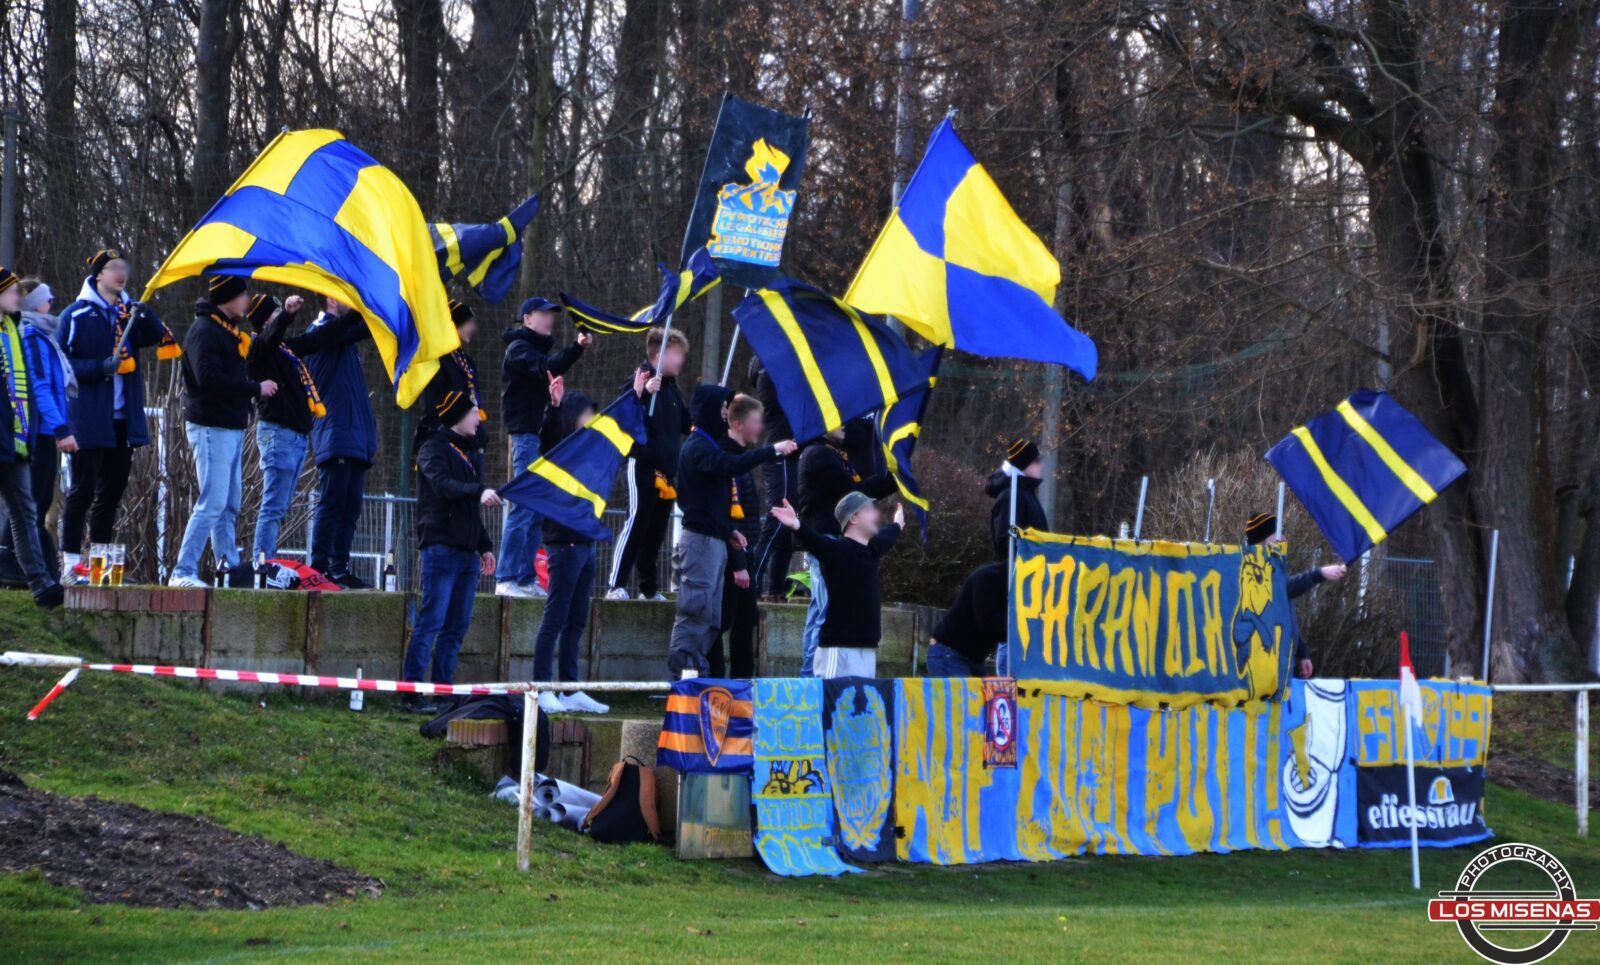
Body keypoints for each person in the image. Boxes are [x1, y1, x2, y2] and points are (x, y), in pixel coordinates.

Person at [529, 368, 649, 716]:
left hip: (586, 541)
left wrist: (636, 396)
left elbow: (619, 430)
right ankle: (541, 688)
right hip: (562, 542)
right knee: (556, 616)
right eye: (586, 414)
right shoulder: (560, 448)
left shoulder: (591, 450)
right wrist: (553, 407)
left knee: (577, 619)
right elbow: (547, 438)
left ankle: (569, 689)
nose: (593, 419)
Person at [57, 249, 178, 583]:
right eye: (113, 268)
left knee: (110, 496)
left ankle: (100, 568)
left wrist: (145, 313)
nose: (121, 273)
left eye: (124, 267)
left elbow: (153, 335)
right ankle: (70, 564)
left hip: (123, 421)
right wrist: (99, 368)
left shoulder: (130, 312)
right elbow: (60, 365)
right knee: (82, 491)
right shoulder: (76, 315)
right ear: (98, 275)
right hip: (89, 418)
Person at [666, 384, 796, 677]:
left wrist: (727, 531)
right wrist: (771, 450)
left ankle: (697, 678)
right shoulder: (699, 448)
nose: (726, 413)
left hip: (714, 540)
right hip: (700, 543)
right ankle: (682, 681)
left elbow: (712, 501)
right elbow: (727, 466)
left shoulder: (707, 447)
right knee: (695, 613)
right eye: (723, 408)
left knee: (710, 617)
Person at [169, 277, 278, 587]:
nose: (247, 300)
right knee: (212, 502)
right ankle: (182, 571)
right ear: (227, 298)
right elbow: (209, 379)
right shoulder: (205, 331)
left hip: (230, 426)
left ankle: (227, 571)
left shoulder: (227, 331)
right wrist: (254, 388)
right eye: (243, 294)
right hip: (210, 426)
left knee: (229, 504)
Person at [403, 390, 498, 713]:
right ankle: (411, 693)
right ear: (458, 416)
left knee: (456, 627)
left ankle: (443, 692)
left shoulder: (468, 454)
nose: (478, 418)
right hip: (441, 550)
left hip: (467, 554)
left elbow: (470, 507)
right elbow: (445, 486)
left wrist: (484, 546)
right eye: (473, 412)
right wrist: (478, 491)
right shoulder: (432, 449)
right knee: (431, 621)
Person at [498, 296, 589, 599]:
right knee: (524, 504)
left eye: (552, 314)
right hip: (525, 436)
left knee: (537, 509)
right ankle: (506, 576)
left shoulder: (537, 350)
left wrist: (576, 348)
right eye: (543, 313)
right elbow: (548, 368)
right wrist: (576, 347)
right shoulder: (519, 349)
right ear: (527, 318)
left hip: (541, 436)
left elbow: (550, 367)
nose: (550, 319)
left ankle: (525, 577)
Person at [244, 292, 342, 562]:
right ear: (265, 321)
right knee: (273, 507)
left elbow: (317, 339)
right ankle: (263, 565)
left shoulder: (285, 348)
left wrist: (357, 315)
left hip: (296, 437)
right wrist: (287, 314)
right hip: (278, 434)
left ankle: (267, 562)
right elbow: (270, 337)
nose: (280, 318)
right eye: (275, 314)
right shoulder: (258, 348)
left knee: (281, 506)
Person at [795, 423, 897, 676]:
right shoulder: (818, 454)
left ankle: (808, 674)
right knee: (827, 610)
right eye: (836, 419)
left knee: (819, 609)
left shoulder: (835, 453)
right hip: (826, 536)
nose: (843, 424)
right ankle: (810, 677)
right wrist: (893, 479)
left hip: (831, 537)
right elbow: (852, 492)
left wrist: (896, 524)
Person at [770, 492, 903, 679]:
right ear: (854, 518)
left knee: (863, 699)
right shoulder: (836, 550)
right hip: (838, 650)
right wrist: (796, 524)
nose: (877, 514)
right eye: (869, 509)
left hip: (867, 650)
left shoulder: (872, 551)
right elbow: (815, 541)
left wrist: (897, 524)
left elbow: (888, 536)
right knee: (831, 698)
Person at [0, 278, 77, 583]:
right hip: (37, 429)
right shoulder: (31, 335)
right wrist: (59, 427)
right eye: (47, 298)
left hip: (38, 430)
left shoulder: (42, 335)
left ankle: (34, 572)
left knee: (34, 503)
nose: (52, 302)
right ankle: (12, 564)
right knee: (28, 503)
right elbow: (40, 387)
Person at [607, 326, 690, 601]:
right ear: (660, 354)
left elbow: (686, 424)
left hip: (665, 473)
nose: (682, 360)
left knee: (655, 532)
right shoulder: (639, 378)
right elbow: (622, 415)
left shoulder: (673, 390)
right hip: (640, 464)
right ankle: (616, 584)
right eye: (677, 353)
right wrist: (640, 393)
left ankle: (649, 588)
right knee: (637, 521)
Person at [303, 296, 376, 588]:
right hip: (336, 433)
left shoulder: (345, 339)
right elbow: (358, 328)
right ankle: (319, 568)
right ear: (332, 298)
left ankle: (338, 568)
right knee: (333, 503)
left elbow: (365, 328)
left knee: (350, 507)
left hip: (354, 436)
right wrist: (367, 306)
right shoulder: (321, 331)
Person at [1244, 511, 1347, 678]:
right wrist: (1320, 574)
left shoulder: (1277, 567)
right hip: (1263, 668)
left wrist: (1302, 653)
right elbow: (1284, 588)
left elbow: (1289, 618)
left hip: (1285, 664)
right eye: (1277, 534)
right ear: (1263, 541)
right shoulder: (1253, 571)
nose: (1284, 538)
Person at [712, 393, 766, 679]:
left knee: (747, 618)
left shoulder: (740, 459)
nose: (761, 427)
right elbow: (728, 515)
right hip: (733, 558)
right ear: (738, 424)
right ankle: (715, 680)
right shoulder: (727, 458)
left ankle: (741, 681)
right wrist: (738, 563)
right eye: (756, 421)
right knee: (722, 620)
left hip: (744, 554)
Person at [748, 356, 798, 599]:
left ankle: (776, 588)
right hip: (780, 452)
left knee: (789, 522)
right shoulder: (767, 370)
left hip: (792, 452)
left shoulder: (778, 368)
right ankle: (753, 581)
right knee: (779, 516)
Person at [413, 299, 488, 456]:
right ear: (454, 324)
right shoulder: (437, 359)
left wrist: (480, 437)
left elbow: (475, 401)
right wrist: (439, 439)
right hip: (444, 442)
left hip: (469, 441)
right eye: (469, 322)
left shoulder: (468, 363)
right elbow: (433, 405)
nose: (474, 328)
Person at [925, 563, 1007, 677]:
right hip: (951, 651)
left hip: (973, 657)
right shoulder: (988, 577)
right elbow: (988, 621)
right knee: (964, 689)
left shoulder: (1001, 579)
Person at [986, 439, 1049, 561]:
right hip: (1018, 569)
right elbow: (1005, 542)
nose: (1041, 466)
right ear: (1025, 464)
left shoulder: (1026, 493)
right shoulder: (1011, 496)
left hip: (1034, 567)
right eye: (1037, 461)